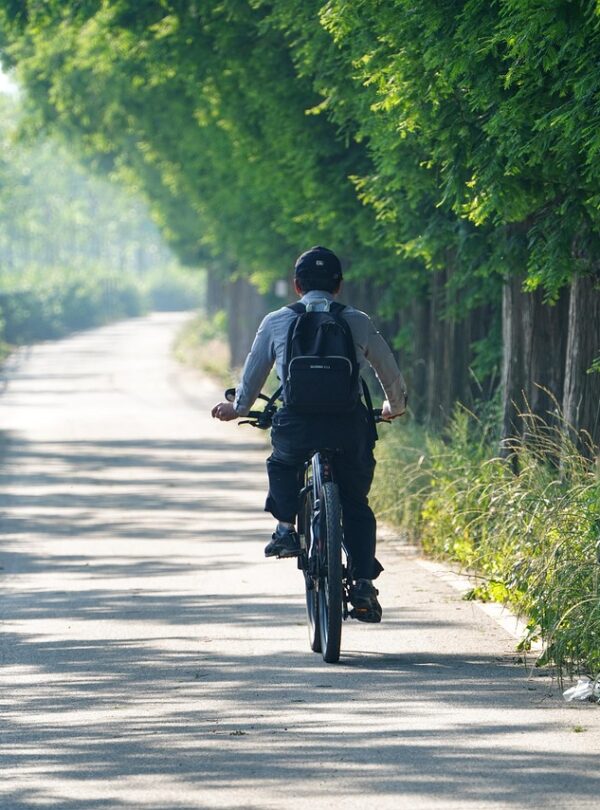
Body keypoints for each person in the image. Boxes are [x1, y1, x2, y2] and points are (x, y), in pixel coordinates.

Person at [212, 246, 407, 622]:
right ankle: (363, 582)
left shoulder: (276, 321)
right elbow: (388, 369)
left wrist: (237, 408)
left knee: (283, 462)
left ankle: (285, 528)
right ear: (339, 285)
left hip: (297, 423)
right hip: (348, 425)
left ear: (296, 285)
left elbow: (253, 375)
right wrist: (393, 407)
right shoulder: (357, 320)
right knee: (354, 502)